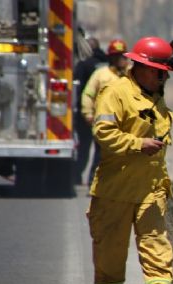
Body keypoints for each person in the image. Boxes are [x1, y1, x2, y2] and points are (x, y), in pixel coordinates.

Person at [87, 36, 173, 284]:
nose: (162, 78)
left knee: (155, 239)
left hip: (150, 186)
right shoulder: (116, 93)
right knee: (111, 247)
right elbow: (103, 132)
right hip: (115, 188)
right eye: (157, 72)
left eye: (165, 74)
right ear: (139, 67)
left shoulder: (157, 97)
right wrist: (138, 144)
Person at [80, 39, 130, 185]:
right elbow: (88, 94)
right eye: (118, 56)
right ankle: (94, 182)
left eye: (124, 56)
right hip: (104, 123)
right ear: (111, 58)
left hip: (126, 123)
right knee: (101, 154)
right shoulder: (100, 74)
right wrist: (87, 113)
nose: (122, 59)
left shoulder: (132, 74)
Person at [73, 37, 107, 185]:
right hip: (106, 115)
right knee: (100, 151)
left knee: (84, 148)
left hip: (86, 116)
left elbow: (80, 90)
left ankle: (76, 176)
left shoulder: (84, 65)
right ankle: (93, 179)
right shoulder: (109, 67)